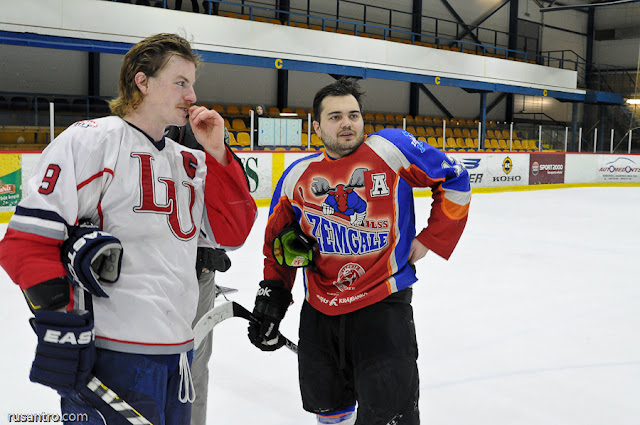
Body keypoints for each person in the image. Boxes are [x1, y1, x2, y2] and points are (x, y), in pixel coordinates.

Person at [0, 33, 256, 425]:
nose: (192, 95)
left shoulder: (191, 162)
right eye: (180, 82)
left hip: (178, 353)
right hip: (111, 355)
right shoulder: (92, 141)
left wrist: (218, 152)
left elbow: (234, 232)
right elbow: (26, 243)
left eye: (193, 84)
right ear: (142, 81)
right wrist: (64, 326)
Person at [247, 78, 471, 424]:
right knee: (330, 409)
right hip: (321, 310)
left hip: (383, 306)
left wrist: (430, 239)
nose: (347, 123)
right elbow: (279, 247)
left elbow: (455, 178)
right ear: (317, 127)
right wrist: (271, 302)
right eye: (335, 117)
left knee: (389, 414)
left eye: (353, 115)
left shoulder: (390, 148)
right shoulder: (297, 176)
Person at [165, 122, 243, 425]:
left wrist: (209, 253)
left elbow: (230, 214)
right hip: (152, 277)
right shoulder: (141, 144)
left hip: (198, 277)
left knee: (193, 366)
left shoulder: (205, 142)